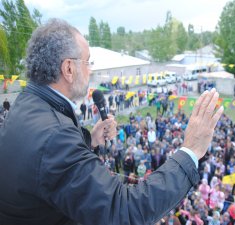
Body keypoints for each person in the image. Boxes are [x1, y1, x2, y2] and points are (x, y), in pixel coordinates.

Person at [0, 19, 223, 225]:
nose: (91, 69)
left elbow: (45, 165)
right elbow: (122, 210)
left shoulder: (27, 103)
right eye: (88, 62)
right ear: (68, 68)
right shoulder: (55, 136)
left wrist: (90, 140)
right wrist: (190, 151)